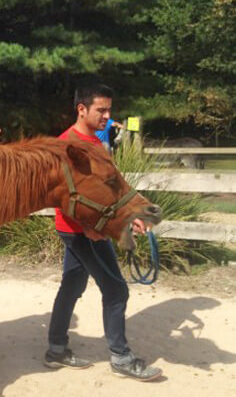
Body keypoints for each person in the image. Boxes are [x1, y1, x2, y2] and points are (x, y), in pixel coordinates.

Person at [43, 84, 163, 381]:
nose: (108, 116)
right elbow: (62, 196)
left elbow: (105, 192)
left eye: (110, 110)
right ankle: (121, 358)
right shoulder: (66, 145)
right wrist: (89, 228)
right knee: (116, 290)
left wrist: (128, 216)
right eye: (101, 110)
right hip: (81, 231)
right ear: (81, 109)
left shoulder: (95, 141)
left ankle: (56, 349)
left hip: (85, 230)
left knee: (71, 286)